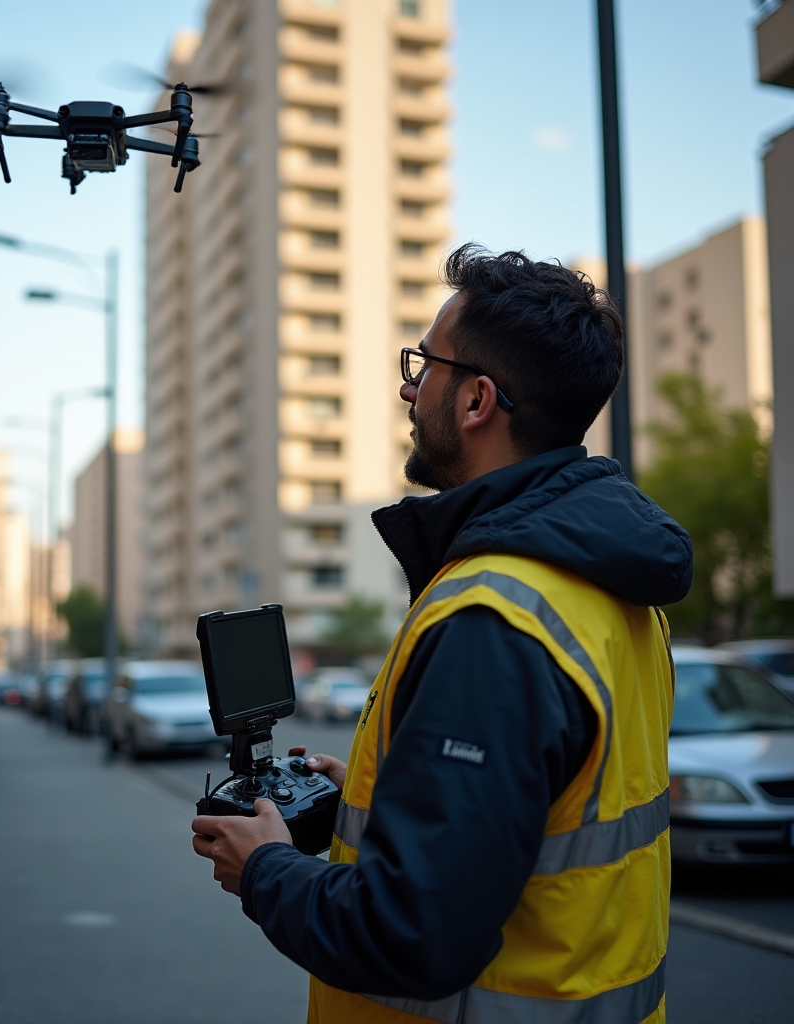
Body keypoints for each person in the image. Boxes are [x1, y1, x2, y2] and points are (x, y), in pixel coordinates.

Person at [191, 245, 691, 1024]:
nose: (408, 386)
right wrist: (383, 797)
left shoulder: (494, 615)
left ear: (476, 400)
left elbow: (412, 935)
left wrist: (265, 870)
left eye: (424, 365)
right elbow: (539, 817)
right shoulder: (615, 591)